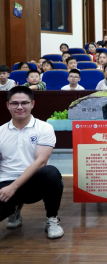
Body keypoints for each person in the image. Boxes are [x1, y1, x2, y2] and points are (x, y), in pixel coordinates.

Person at [0, 86, 64, 238]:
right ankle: (13, 210)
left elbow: (41, 161)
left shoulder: (44, 128)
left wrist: (13, 187)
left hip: (33, 184)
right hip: (6, 183)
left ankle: (52, 218)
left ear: (32, 104)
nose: (20, 107)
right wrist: (8, 187)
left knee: (50, 172)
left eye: (24, 103)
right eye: (15, 103)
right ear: (8, 105)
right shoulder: (1, 131)